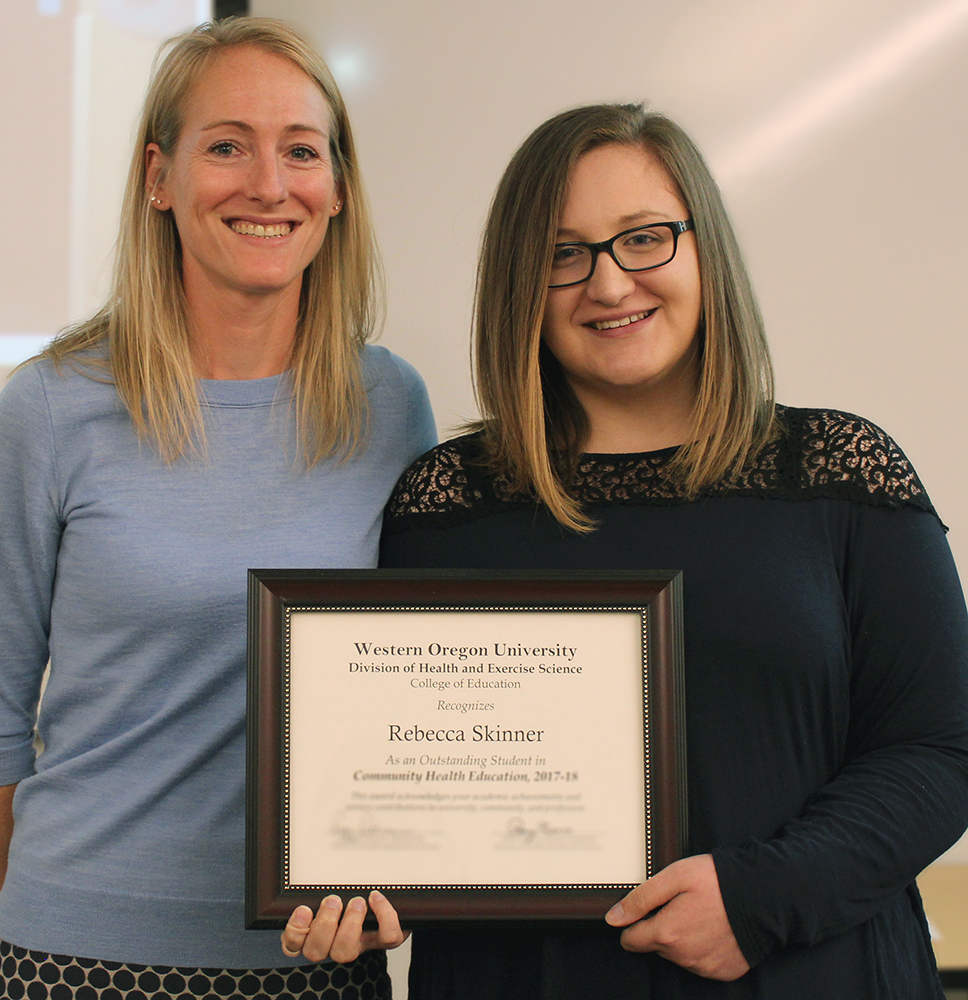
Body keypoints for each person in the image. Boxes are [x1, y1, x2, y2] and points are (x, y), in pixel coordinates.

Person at [372, 104, 968, 998]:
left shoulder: (840, 472)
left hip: (810, 970)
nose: (607, 286)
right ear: (517, 288)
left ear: (703, 251)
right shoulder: (450, 504)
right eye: (561, 254)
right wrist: (359, 882)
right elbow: (408, 779)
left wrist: (764, 895)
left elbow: (943, 746)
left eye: (643, 239)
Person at [0, 17, 434, 1000]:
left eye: (301, 150)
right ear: (157, 177)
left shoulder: (394, 406)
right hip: (71, 961)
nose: (269, 183)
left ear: (338, 188)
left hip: (316, 963)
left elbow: (421, 691)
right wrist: (40, 917)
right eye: (227, 145)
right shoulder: (48, 407)